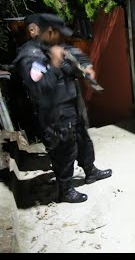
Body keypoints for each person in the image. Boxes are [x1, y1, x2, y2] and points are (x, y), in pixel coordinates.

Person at [13, 13, 112, 203]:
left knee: (83, 138)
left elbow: (74, 56)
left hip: (71, 104)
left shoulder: (52, 47)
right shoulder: (29, 55)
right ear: (38, 31)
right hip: (53, 113)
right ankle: (65, 190)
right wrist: (55, 63)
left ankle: (90, 170)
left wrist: (84, 67)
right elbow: (39, 86)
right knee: (63, 149)